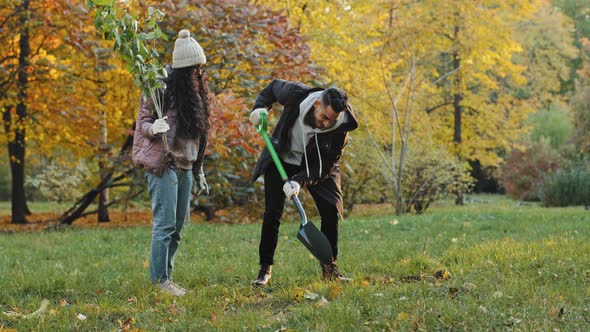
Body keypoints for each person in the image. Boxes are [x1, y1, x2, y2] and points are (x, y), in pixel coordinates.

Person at [248, 79, 358, 286]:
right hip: (282, 157)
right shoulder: (295, 94)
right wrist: (259, 108)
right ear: (317, 103)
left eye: (331, 120)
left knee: (330, 209)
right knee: (272, 212)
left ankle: (329, 268)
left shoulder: (340, 129)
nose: (326, 123)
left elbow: (324, 167)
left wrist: (299, 181)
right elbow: (271, 88)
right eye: (324, 117)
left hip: (317, 165)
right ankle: (265, 269)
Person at [132, 29, 210, 296]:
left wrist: (199, 170)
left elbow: (198, 137)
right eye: (193, 68)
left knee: (176, 228)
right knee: (164, 225)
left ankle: (167, 278)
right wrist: (153, 127)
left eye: (200, 67)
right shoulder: (160, 86)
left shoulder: (198, 95)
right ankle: (160, 281)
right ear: (182, 68)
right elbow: (141, 123)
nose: (198, 73)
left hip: (186, 168)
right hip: (164, 164)